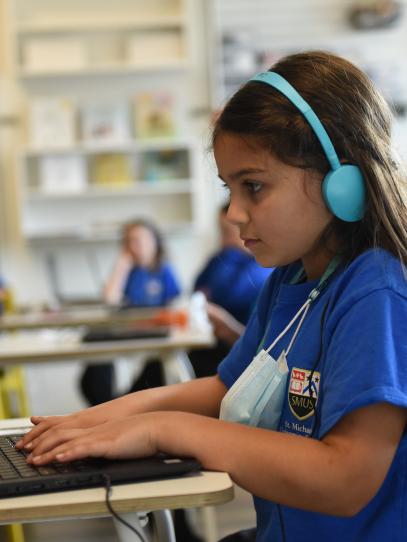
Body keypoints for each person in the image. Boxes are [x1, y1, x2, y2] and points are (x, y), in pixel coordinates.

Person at [18, 50, 407, 542]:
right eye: (229, 189)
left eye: (254, 187)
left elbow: (346, 478)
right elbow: (227, 387)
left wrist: (165, 430)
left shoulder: (376, 290)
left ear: (341, 183)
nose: (233, 213)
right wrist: (92, 421)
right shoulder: (291, 279)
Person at [80, 218, 181, 406]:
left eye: (138, 240)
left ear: (154, 242)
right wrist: (122, 265)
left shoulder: (164, 270)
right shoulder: (128, 270)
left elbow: (175, 305)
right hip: (124, 333)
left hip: (153, 334)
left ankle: (126, 405)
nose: (132, 246)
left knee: (156, 372)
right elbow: (110, 299)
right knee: (92, 378)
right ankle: (108, 408)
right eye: (127, 241)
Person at [189, 202, 272, 377]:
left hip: (234, 350)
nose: (222, 240)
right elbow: (197, 288)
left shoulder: (261, 265)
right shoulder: (219, 257)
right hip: (213, 342)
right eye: (220, 232)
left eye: (227, 232)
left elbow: (228, 294)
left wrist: (231, 253)